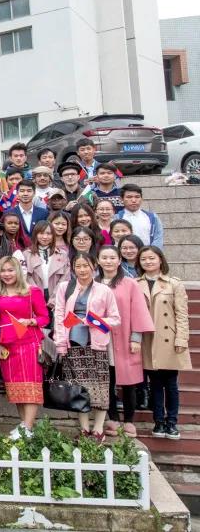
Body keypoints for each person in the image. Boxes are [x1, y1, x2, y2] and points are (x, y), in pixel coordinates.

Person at [52, 252, 120, 441]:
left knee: (101, 387)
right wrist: (60, 343)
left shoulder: (104, 290)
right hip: (72, 343)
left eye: (86, 266)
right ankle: (83, 429)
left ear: (94, 267)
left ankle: (98, 429)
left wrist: (95, 321)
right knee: (78, 388)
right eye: (78, 266)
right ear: (73, 268)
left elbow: (115, 318)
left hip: (96, 344)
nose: (82, 270)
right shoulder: (65, 287)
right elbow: (59, 316)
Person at [97, 245, 154, 438]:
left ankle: (129, 420)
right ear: (98, 261)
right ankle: (112, 419)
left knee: (129, 382)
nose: (108, 261)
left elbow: (139, 311)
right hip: (102, 339)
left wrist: (136, 338)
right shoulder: (94, 283)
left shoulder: (129, 283)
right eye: (104, 258)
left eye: (112, 258)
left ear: (119, 260)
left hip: (125, 337)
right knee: (107, 381)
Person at [0, 255, 49, 440]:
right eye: (3, 270)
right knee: (16, 387)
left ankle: (28, 427)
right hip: (7, 346)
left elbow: (44, 318)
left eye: (10, 270)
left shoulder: (32, 291)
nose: (7, 274)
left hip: (28, 342)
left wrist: (30, 321)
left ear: (18, 270)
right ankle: (23, 425)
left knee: (30, 385)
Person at [138, 246, 191, 440]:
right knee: (154, 383)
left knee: (171, 384)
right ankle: (158, 421)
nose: (148, 262)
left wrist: (182, 338)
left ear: (160, 259)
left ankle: (172, 422)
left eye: (152, 258)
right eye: (144, 259)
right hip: (147, 338)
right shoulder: (136, 284)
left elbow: (182, 314)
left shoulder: (173, 284)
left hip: (168, 338)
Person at [117, 184, 164, 248]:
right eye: (129, 197)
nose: (133, 200)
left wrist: (150, 252)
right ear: (121, 199)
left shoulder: (152, 217)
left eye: (137, 197)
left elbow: (158, 239)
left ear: (142, 198)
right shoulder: (116, 218)